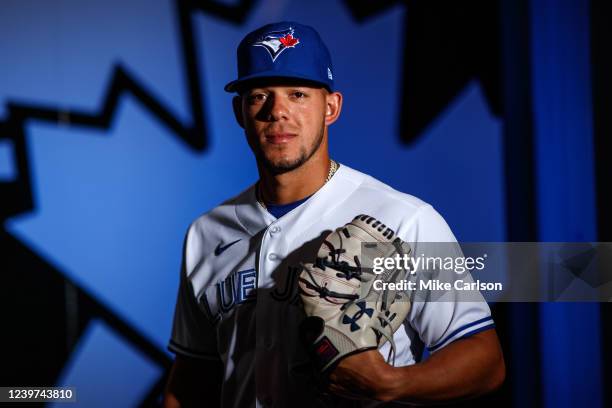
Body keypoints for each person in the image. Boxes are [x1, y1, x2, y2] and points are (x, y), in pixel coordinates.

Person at [163, 21, 505, 408]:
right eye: (260, 95)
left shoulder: (404, 218)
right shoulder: (206, 233)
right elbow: (191, 376)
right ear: (240, 111)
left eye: (297, 94)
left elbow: (485, 360)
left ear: (331, 107)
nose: (278, 112)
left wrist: (394, 383)